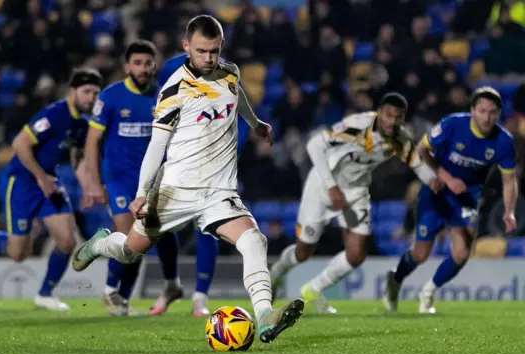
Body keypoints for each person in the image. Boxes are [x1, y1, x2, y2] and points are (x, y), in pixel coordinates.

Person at [73, 15, 304, 343]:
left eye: (214, 50)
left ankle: (265, 314)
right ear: (186, 47)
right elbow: (157, 146)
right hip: (174, 191)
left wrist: (255, 123)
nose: (209, 58)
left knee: (255, 241)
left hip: (218, 192)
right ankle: (100, 243)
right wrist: (141, 193)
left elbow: (237, 96)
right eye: (201, 51)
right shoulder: (173, 90)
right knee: (130, 250)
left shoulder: (230, 72)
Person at [269, 93, 440, 313]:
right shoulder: (357, 125)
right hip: (323, 183)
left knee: (357, 254)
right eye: (388, 116)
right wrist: (331, 187)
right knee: (303, 252)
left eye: (398, 117)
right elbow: (314, 146)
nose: (392, 122)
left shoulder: (400, 138)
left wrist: (433, 181)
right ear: (379, 112)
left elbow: (417, 164)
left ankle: (312, 290)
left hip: (356, 190)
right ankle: (275, 275)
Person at [0, 69, 103, 311]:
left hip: (49, 183)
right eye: (86, 92)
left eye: (95, 93)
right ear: (72, 91)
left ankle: (45, 294)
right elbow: (20, 143)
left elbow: (77, 157)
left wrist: (87, 186)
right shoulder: (54, 114)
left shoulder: (81, 125)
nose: (91, 98)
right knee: (18, 253)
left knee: (66, 240)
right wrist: (41, 178)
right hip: (21, 182)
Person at [383, 87, 517, 313]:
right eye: (482, 111)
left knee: (462, 253)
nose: (487, 117)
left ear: (499, 114)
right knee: (421, 254)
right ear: (472, 110)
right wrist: (447, 177)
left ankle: (428, 292)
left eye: (492, 112)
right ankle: (395, 279)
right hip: (436, 192)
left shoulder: (503, 141)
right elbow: (422, 149)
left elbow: (509, 180)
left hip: (465, 199)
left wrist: (509, 211)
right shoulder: (453, 124)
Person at [79, 40, 187, 316]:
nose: (142, 68)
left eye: (147, 63)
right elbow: (92, 141)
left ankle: (125, 299)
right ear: (127, 66)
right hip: (119, 180)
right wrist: (93, 182)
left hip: (154, 180)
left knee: (153, 236)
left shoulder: (162, 97)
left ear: (155, 66)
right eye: (137, 63)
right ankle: (110, 292)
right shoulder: (111, 97)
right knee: (131, 237)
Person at [147, 52, 252, 316]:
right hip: (177, 167)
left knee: (206, 228)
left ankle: (200, 298)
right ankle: (171, 285)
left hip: (214, 170)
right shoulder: (171, 82)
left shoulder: (221, 76)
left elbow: (243, 119)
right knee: (158, 226)